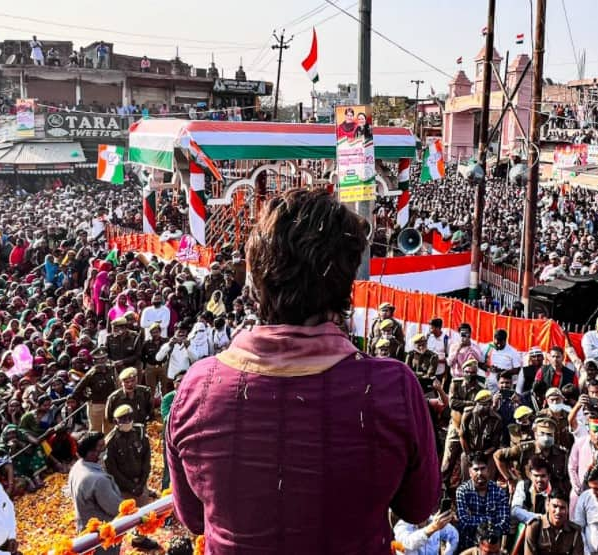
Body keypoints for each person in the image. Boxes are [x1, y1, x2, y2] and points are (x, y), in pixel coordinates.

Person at [166, 188, 440, 554]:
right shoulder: (393, 387)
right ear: (347, 284)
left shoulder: (198, 388)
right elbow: (419, 506)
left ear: (254, 279)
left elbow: (194, 518)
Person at [104, 405, 158, 550]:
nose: (127, 421)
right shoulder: (111, 441)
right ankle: (125, 539)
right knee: (128, 514)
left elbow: (146, 458)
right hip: (124, 486)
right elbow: (112, 469)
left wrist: (142, 482)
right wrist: (130, 486)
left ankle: (140, 538)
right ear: (116, 422)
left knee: (143, 511)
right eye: (123, 419)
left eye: (129, 418)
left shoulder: (139, 432)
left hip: (140, 481)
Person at [69, 432, 123, 555]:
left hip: (84, 531)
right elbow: (116, 508)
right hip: (102, 536)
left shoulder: (77, 467)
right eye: (101, 446)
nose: (105, 449)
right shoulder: (98, 480)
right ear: (91, 452)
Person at [456, 453, 511, 552]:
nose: (480, 473)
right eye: (476, 469)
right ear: (469, 472)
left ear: (488, 470)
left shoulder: (499, 492)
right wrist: (490, 520)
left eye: (483, 468)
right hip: (468, 545)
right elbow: (464, 523)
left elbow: (505, 524)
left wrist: (476, 521)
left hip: (492, 547)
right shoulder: (462, 491)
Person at [392, 510, 459, 555]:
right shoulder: (401, 526)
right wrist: (432, 528)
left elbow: (454, 535)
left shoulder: (433, 520)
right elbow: (409, 543)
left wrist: (448, 553)